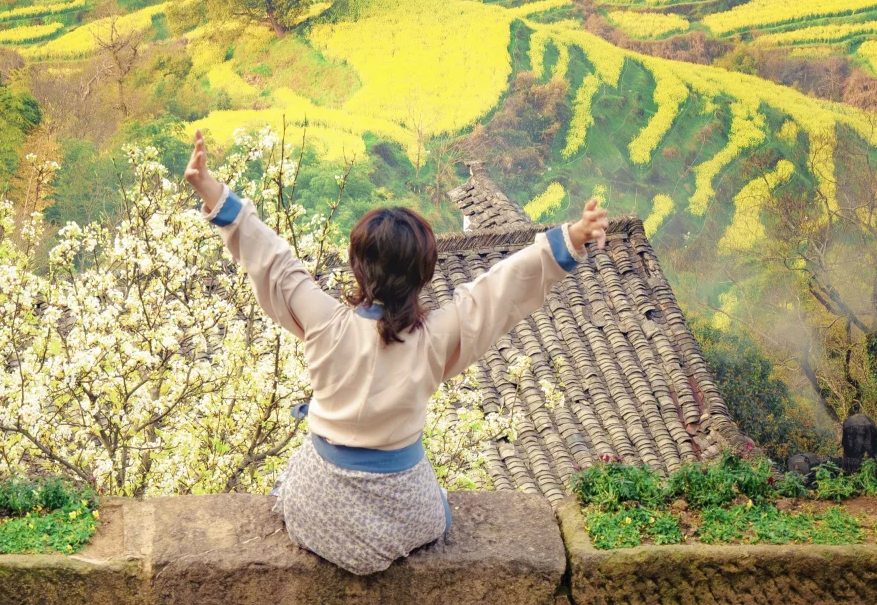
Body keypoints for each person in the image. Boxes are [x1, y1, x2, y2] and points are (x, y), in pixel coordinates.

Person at [185, 128, 609, 576]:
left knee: (290, 486)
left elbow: (272, 260)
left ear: (356, 266)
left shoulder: (324, 320)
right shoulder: (435, 339)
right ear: (425, 273)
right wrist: (571, 237)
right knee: (439, 512)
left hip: (321, 505)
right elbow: (498, 291)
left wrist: (211, 189)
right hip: (404, 507)